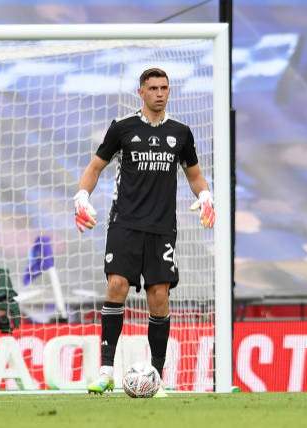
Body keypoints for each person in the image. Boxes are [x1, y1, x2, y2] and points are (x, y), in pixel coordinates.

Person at [74, 68, 215, 395]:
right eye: (153, 88)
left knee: (159, 297)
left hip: (162, 228)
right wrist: (81, 196)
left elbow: (194, 175)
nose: (159, 93)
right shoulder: (123, 128)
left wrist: (206, 195)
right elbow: (96, 167)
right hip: (124, 223)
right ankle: (107, 371)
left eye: (164, 87)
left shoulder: (181, 133)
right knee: (117, 285)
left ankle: (156, 375)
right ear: (141, 92)